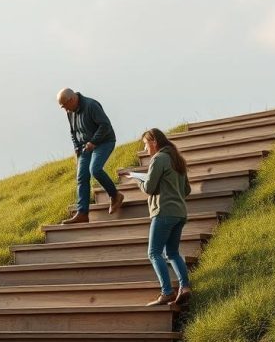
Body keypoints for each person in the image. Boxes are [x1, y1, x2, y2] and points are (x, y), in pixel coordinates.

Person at [127, 128, 192, 306]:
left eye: (146, 144)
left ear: (154, 141)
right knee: (172, 252)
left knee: (154, 252)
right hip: (180, 213)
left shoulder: (159, 159)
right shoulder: (177, 159)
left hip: (163, 212)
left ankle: (167, 292)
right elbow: (187, 190)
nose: (146, 149)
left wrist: (137, 179)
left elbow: (149, 188)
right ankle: (185, 287)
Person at [57, 88, 123, 224]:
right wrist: (76, 148)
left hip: (104, 141)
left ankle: (115, 195)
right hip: (84, 147)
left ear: (72, 99)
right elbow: (73, 132)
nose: (65, 110)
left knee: (95, 169)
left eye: (65, 105)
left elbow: (105, 126)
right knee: (82, 177)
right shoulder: (70, 111)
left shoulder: (91, 105)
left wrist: (93, 142)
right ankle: (82, 213)